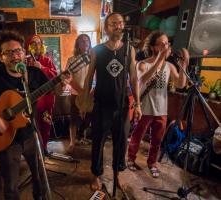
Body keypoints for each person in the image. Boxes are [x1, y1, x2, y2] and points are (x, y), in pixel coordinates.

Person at [0, 29, 69, 200]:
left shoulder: (34, 73)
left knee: (40, 178)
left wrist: (61, 85)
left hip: (31, 134)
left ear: (24, 53)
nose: (15, 56)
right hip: (6, 138)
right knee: (11, 185)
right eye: (9, 52)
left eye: (18, 50)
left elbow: (54, 90)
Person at [79, 12, 142, 191]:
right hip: (101, 105)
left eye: (121, 23)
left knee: (121, 142)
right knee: (98, 142)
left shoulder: (129, 49)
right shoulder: (97, 50)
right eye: (114, 23)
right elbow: (88, 77)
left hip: (122, 106)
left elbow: (134, 78)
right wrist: (84, 102)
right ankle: (96, 175)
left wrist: (137, 104)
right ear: (107, 28)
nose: (118, 26)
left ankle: (117, 174)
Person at [127, 30, 189, 178]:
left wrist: (184, 64)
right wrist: (159, 60)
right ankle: (130, 159)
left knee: (157, 139)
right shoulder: (142, 64)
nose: (166, 46)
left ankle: (152, 163)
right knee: (137, 136)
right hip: (145, 108)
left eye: (167, 43)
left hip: (162, 109)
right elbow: (143, 80)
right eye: (162, 44)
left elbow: (180, 84)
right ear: (154, 47)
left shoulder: (169, 66)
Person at [26, 34, 57, 155]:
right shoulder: (26, 60)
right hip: (32, 98)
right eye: (34, 43)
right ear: (30, 46)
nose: (37, 45)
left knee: (46, 123)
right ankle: (34, 150)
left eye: (39, 43)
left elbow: (55, 75)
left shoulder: (47, 60)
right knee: (33, 124)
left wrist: (42, 67)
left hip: (47, 97)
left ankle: (43, 147)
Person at [65, 34, 93, 154]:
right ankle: (72, 142)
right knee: (73, 119)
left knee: (89, 118)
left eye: (87, 41)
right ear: (78, 44)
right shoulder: (71, 60)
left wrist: (90, 91)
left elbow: (97, 77)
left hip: (91, 94)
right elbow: (67, 77)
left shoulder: (94, 58)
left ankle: (82, 136)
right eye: (82, 41)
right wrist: (81, 91)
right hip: (76, 93)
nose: (85, 43)